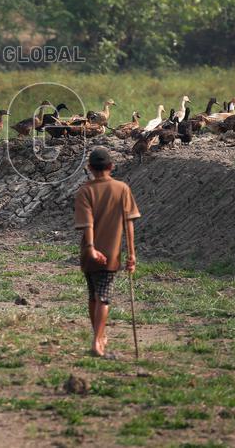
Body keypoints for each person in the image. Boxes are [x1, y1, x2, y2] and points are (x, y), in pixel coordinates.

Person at [74, 147, 140, 357]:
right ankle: (97, 341)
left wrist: (91, 248)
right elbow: (129, 223)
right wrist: (131, 254)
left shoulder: (85, 190)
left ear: (90, 168)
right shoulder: (122, 189)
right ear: (111, 167)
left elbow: (87, 223)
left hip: (88, 252)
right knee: (103, 297)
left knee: (93, 296)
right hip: (110, 254)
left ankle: (98, 336)